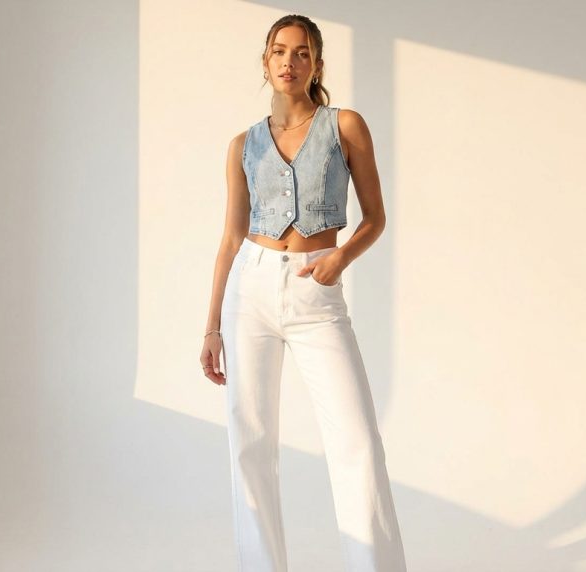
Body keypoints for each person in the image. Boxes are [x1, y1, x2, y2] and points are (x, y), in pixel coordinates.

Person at [200, 14, 407, 572]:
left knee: (356, 442)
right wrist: (212, 325)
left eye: (302, 53)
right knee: (251, 445)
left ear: (317, 63)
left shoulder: (345, 126)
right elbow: (230, 238)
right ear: (265, 62)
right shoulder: (243, 145)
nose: (289, 62)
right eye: (279, 52)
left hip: (317, 291)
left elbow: (376, 217)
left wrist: (339, 257)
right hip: (252, 291)